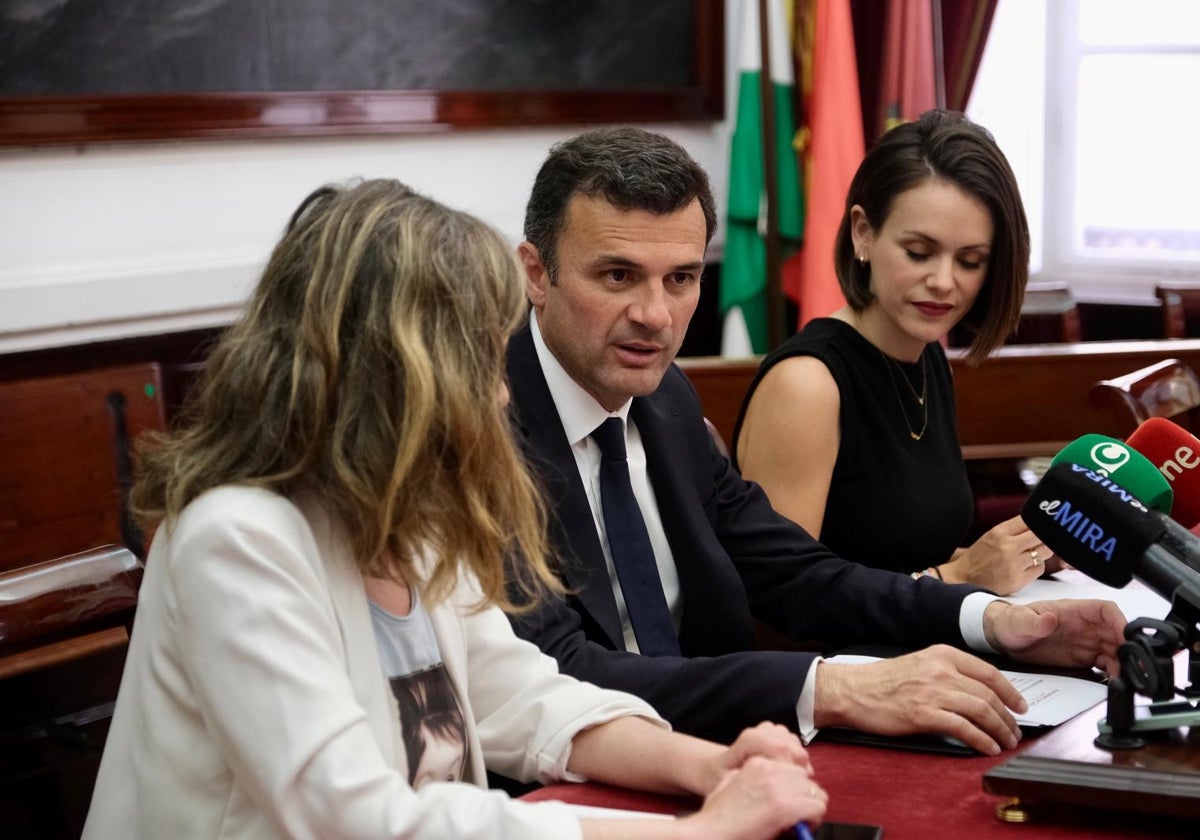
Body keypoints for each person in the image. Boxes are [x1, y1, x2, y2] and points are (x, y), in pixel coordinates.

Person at [82, 179, 828, 840]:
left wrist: (709, 764)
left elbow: (521, 697)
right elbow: (354, 818)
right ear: (390, 373)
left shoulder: (410, 516)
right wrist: (699, 835)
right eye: (477, 359)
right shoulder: (237, 538)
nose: (501, 393)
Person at [506, 125, 1126, 757]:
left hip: (730, 750)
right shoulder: (474, 432)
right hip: (567, 777)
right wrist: (830, 688)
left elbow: (797, 574)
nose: (656, 316)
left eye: (682, 278)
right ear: (537, 273)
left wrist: (993, 621)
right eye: (617, 276)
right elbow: (557, 669)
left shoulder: (664, 399)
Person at [734, 109, 1052, 597]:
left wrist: (1015, 556)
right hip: (844, 667)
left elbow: (900, 554)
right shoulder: (807, 383)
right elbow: (778, 599)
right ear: (863, 232)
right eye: (920, 252)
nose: (944, 282)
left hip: (922, 652)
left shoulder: (925, 358)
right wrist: (958, 578)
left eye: (970, 261)